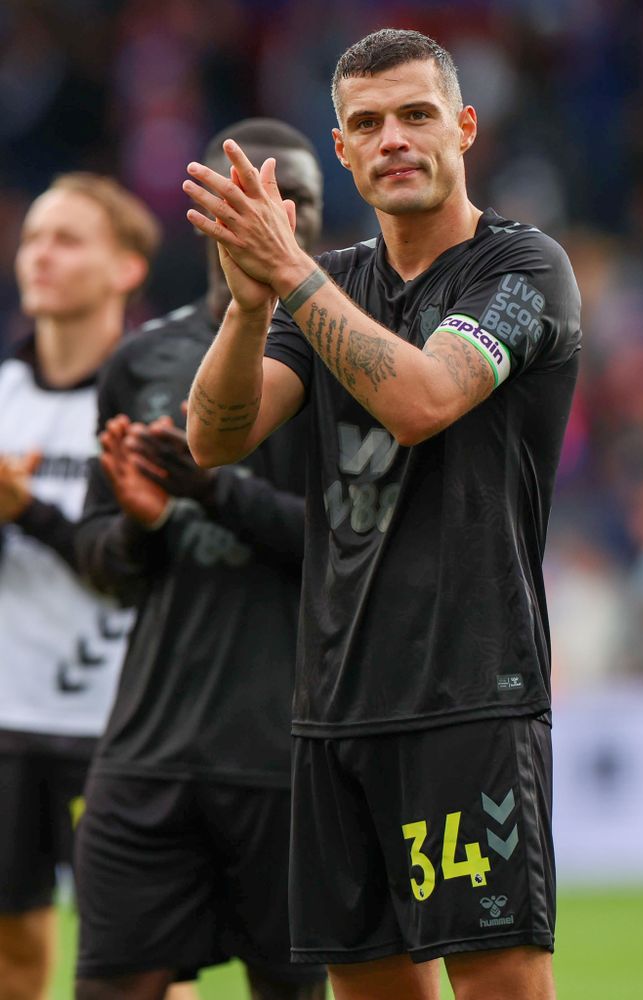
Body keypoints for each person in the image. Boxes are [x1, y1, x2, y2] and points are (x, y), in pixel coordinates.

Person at [185, 29, 582, 1000]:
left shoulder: (522, 270)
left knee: (498, 985)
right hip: (332, 709)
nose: (393, 138)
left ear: (464, 126)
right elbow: (215, 437)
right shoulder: (322, 289)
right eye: (367, 123)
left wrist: (290, 275)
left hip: (468, 693)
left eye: (415, 115)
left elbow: (419, 400)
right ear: (341, 148)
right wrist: (245, 309)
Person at [72, 119, 327, 1000]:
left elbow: (356, 551)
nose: (277, 213)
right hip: (150, 750)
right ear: (208, 217)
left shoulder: (356, 362)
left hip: (292, 759)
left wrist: (214, 489)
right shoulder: (142, 364)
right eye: (254, 193)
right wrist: (144, 522)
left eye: (299, 200)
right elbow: (102, 565)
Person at [0, 174, 160, 1000]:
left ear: (127, 267)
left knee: (143, 970)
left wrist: (25, 508)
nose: (41, 256)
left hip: (123, 731)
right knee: (13, 957)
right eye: (33, 238)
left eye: (67, 239)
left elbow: (142, 569)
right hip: (7, 724)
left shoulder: (151, 396)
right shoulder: (2, 397)